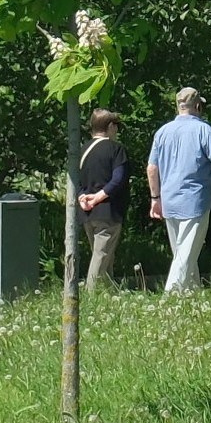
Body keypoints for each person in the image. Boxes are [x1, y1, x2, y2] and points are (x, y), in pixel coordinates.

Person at [146, 86, 211, 294]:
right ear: (198, 106)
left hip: (169, 200)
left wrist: (155, 198)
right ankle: (170, 298)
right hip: (194, 200)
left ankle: (192, 295)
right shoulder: (203, 129)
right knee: (185, 255)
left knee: (185, 252)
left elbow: (152, 168)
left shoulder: (162, 132)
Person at [76, 109, 130, 289]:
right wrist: (99, 197)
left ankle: (109, 292)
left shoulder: (82, 150)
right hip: (108, 211)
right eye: (116, 126)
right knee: (101, 255)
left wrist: (82, 197)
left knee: (104, 254)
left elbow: (75, 180)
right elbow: (118, 179)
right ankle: (91, 295)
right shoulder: (116, 149)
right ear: (110, 127)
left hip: (87, 212)